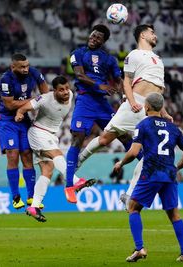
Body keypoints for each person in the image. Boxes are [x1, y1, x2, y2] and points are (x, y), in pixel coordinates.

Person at [77, 24, 173, 206]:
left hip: (151, 111)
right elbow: (126, 81)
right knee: (105, 139)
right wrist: (131, 101)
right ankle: (79, 160)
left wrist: (164, 113)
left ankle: (129, 194)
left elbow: (158, 93)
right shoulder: (134, 55)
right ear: (143, 35)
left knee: (150, 156)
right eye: (152, 32)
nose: (155, 35)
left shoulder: (158, 59)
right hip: (134, 103)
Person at [113, 93, 183, 262]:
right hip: (169, 174)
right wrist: (176, 167)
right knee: (174, 214)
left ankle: (139, 248)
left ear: (147, 107)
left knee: (133, 208)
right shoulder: (173, 127)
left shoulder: (143, 125)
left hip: (151, 172)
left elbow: (134, 152)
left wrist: (121, 163)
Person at [15, 76, 96, 221]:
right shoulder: (45, 99)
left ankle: (34, 206)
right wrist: (19, 113)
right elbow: (24, 107)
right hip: (38, 132)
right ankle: (75, 181)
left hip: (52, 135)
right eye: (61, 90)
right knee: (57, 154)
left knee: (47, 172)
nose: (65, 92)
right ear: (54, 91)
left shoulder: (71, 95)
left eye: (66, 88)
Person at [64, 24, 126, 203]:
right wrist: (101, 86)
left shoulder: (109, 59)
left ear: (103, 41)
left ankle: (146, 166)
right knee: (78, 138)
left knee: (122, 134)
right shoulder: (78, 53)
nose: (93, 38)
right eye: (92, 35)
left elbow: (118, 79)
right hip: (84, 101)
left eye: (98, 37)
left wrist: (122, 94)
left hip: (102, 105)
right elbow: (80, 76)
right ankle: (69, 186)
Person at [0, 53, 48, 209]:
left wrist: (36, 101)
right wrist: (34, 101)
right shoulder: (5, 80)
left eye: (27, 65)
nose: (26, 69)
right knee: (13, 155)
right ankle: (16, 196)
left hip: (24, 120)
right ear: (13, 67)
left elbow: (45, 95)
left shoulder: (34, 72)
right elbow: (10, 105)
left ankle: (31, 197)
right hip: (7, 122)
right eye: (22, 67)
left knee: (27, 155)